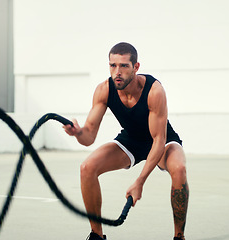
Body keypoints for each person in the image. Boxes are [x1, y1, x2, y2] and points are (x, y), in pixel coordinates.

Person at [63, 42, 189, 240]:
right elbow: (89, 136)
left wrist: (140, 181)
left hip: (162, 140)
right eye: (113, 65)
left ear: (136, 67)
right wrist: (77, 132)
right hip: (131, 140)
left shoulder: (154, 90)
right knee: (87, 167)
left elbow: (157, 140)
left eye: (123, 66)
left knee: (179, 168)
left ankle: (179, 236)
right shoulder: (104, 90)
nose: (117, 72)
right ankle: (96, 235)